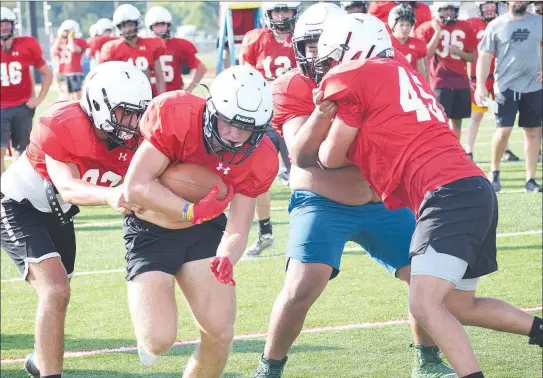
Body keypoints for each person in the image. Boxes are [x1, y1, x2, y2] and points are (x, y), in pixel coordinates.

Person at [312, 13, 543, 378]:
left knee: (422, 302)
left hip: (446, 194)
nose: (330, 65)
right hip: (473, 189)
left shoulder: (356, 75)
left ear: (357, 46)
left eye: (335, 55)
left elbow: (328, 157)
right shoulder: (405, 72)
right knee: (460, 305)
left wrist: (323, 116)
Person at [254, 4, 456, 378]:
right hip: (321, 202)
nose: (318, 54)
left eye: (325, 43)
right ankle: (269, 366)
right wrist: (326, 111)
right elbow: (302, 155)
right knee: (302, 285)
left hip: (383, 199)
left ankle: (426, 360)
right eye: (310, 45)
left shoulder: (382, 73)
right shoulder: (293, 84)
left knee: (427, 276)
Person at [122, 65, 278, 378]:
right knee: (158, 341)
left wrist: (227, 256)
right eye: (229, 123)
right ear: (212, 110)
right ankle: (150, 337)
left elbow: (238, 227)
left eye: (245, 128)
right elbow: (135, 185)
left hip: (205, 232)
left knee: (220, 332)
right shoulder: (176, 115)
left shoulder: (261, 157)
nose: (235, 135)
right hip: (152, 230)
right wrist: (189, 209)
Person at [0, 61, 151, 378]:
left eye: (139, 113)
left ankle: (40, 362)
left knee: (59, 291)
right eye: (126, 112)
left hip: (58, 214)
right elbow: (67, 187)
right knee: (55, 291)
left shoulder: (136, 140)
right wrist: (112, 195)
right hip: (17, 203)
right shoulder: (64, 122)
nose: (134, 122)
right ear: (99, 104)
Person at [240, 1, 299, 256]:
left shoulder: (302, 37)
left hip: (294, 116)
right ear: (269, 13)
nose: (283, 16)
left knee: (302, 178)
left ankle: (303, 232)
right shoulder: (256, 40)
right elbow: (244, 77)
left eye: (286, 10)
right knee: (257, 179)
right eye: (278, 10)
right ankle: (265, 234)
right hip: (262, 118)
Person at [475, 1, 543, 192]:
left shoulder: (538, 22)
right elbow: (484, 56)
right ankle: (494, 172)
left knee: (532, 131)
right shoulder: (496, 25)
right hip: (506, 86)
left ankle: (531, 180)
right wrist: (480, 86)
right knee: (504, 130)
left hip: (533, 86)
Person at [1, 7, 53, 175]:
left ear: (13, 25)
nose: (3, 27)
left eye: (6, 24)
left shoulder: (26, 44)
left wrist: (38, 99)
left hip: (21, 106)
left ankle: (16, 188)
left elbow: (47, 73)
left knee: (22, 152)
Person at [416, 2, 477, 138]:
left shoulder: (465, 26)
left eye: (452, 10)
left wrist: (459, 52)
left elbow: (472, 57)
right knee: (439, 120)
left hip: (460, 81)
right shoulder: (427, 28)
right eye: (445, 10)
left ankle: (455, 150)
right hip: (439, 81)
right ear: (438, 11)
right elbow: (426, 54)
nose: (449, 13)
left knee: (457, 120)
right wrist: (438, 32)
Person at [101, 4, 167, 96]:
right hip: (122, 97)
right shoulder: (112, 49)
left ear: (137, 24)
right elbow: (106, 80)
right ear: (119, 27)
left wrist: (162, 98)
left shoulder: (151, 44)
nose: (128, 29)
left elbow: (159, 77)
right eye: (124, 26)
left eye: (131, 25)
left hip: (146, 95)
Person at [144, 6, 207, 94]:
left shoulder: (179, 45)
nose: (160, 28)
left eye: (163, 24)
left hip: (174, 95)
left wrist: (190, 88)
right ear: (150, 27)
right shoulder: (144, 47)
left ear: (168, 25)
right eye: (156, 25)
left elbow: (201, 68)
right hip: (151, 96)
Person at [388, 4, 428, 80]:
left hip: (409, 83)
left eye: (408, 25)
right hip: (390, 82)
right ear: (393, 25)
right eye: (401, 25)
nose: (405, 28)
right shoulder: (386, 43)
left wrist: (425, 88)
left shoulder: (417, 44)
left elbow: (421, 71)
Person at [51, 19, 87, 101]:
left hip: (75, 72)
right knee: (64, 97)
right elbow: (53, 50)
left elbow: (73, 49)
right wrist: (59, 38)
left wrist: (71, 38)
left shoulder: (79, 41)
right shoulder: (60, 41)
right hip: (62, 71)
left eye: (68, 31)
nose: (66, 33)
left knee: (77, 96)